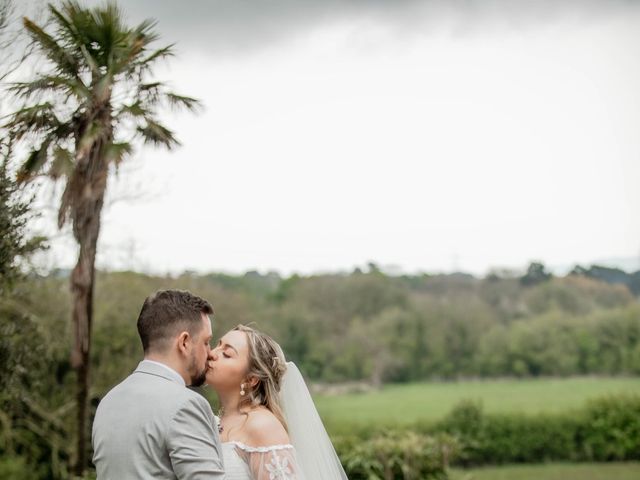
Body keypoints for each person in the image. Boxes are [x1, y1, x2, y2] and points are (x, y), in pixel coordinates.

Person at [92, 289, 225, 479]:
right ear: (185, 342)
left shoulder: (108, 401)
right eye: (206, 342)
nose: (210, 353)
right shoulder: (186, 405)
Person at [206, 324, 348, 480]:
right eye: (217, 346)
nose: (212, 353)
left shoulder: (262, 426)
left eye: (226, 354)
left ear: (251, 379)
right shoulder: (215, 420)